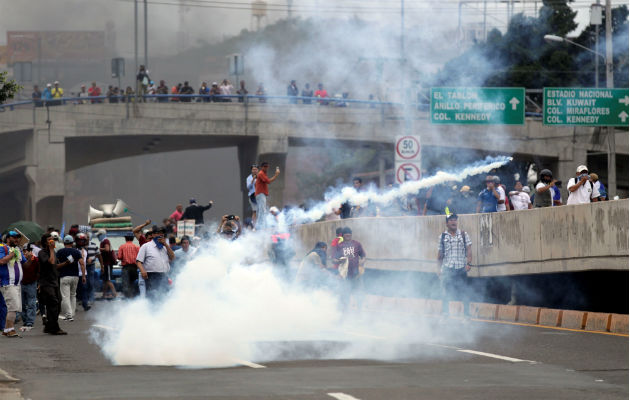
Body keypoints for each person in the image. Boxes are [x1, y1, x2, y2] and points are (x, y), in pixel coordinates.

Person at [437, 213, 472, 317]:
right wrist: (438, 269)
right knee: (445, 292)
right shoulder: (442, 236)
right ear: (447, 223)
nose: (454, 222)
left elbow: (469, 250)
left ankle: (466, 315)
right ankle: (445, 314)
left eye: (455, 220)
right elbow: (440, 255)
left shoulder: (463, 234)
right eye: (451, 220)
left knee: (464, 292)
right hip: (447, 268)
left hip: (461, 268)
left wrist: (468, 263)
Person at [37, 233, 67, 335]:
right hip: (46, 283)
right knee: (53, 303)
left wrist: (66, 263)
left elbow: (55, 265)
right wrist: (50, 249)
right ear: (45, 242)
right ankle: (55, 328)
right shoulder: (42, 253)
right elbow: (50, 262)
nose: (52, 241)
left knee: (57, 304)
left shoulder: (53, 251)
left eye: (52, 240)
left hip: (54, 282)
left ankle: (49, 326)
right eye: (49, 240)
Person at [0, 231, 28, 337]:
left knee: (15, 307)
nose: (16, 239)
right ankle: (11, 330)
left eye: (17, 237)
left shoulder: (18, 250)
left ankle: (6, 330)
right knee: (13, 307)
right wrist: (11, 254)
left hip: (17, 284)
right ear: (8, 239)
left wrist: (31, 258)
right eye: (14, 237)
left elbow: (25, 265)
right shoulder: (3, 248)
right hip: (7, 282)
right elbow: (1, 261)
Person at [136, 226, 175, 300]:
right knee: (153, 298)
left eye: (162, 233)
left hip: (164, 276)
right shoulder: (146, 246)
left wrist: (166, 245)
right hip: (152, 276)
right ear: (153, 235)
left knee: (164, 298)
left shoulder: (164, 247)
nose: (161, 235)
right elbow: (138, 261)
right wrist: (143, 271)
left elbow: (172, 257)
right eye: (159, 233)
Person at [332, 227, 366, 310]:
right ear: (343, 235)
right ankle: (344, 313)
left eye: (349, 234)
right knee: (344, 295)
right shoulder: (339, 246)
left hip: (356, 274)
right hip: (345, 276)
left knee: (359, 294)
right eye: (346, 234)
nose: (348, 235)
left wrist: (362, 262)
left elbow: (363, 256)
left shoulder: (357, 244)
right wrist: (338, 261)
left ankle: (359, 311)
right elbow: (334, 259)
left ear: (351, 234)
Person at [57, 235, 86, 321]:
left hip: (64, 276)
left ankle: (68, 315)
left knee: (65, 296)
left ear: (64, 243)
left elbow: (55, 263)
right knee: (73, 295)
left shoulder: (59, 252)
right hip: (75, 276)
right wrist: (83, 276)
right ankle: (72, 313)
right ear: (72, 243)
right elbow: (82, 263)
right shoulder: (76, 252)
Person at [18, 243, 39, 331]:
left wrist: (39, 283)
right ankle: (25, 319)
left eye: (26, 251)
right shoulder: (20, 260)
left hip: (32, 283)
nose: (25, 253)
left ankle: (30, 321)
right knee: (22, 304)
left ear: (31, 251)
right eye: (24, 251)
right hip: (21, 283)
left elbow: (39, 271)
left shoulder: (36, 260)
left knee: (31, 303)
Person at [255, 162, 281, 228]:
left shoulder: (263, 173)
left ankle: (261, 225)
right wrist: (276, 174)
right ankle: (260, 226)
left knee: (262, 209)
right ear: (261, 167)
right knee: (262, 210)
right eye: (265, 166)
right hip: (260, 193)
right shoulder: (261, 173)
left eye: (267, 167)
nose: (266, 168)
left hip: (261, 194)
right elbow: (268, 181)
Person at [117, 234, 140, 299]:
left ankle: (128, 297)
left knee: (126, 283)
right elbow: (140, 257)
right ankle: (132, 296)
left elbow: (119, 257)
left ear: (125, 239)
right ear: (132, 239)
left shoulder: (122, 247)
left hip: (126, 267)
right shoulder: (136, 247)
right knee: (132, 282)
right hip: (134, 267)